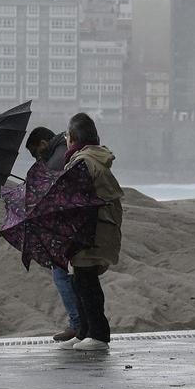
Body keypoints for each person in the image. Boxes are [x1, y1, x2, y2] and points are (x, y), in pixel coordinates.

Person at [57, 112, 123, 352]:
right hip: (92, 230)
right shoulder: (89, 159)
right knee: (78, 280)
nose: (65, 139)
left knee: (86, 283)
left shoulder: (82, 162)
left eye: (66, 135)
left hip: (90, 232)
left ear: (72, 138)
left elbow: (73, 200)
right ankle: (84, 331)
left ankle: (98, 334)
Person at [25, 126, 83, 342]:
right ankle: (81, 324)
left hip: (67, 228)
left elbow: (52, 194)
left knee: (61, 274)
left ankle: (77, 324)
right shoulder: (62, 151)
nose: (37, 158)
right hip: (74, 225)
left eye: (35, 153)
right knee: (77, 277)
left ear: (42, 144)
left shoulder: (57, 158)